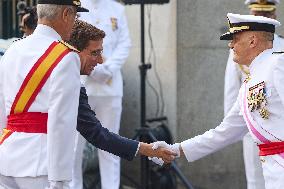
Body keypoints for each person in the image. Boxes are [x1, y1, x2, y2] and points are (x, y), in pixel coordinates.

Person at [152, 13, 284, 189]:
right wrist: (175, 149)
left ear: (252, 41)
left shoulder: (278, 64)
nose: (231, 45)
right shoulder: (248, 84)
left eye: (235, 39)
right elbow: (225, 132)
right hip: (274, 174)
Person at [67, 20, 176, 189]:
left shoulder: (71, 80)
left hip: (26, 161)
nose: (100, 60)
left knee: (107, 154)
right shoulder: (68, 81)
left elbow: (98, 134)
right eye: (95, 53)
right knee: (73, 150)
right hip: (37, 167)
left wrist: (106, 71)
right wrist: (148, 150)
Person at [0, 0, 89, 189]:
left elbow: (1, 109)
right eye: (75, 16)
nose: (75, 23)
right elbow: (62, 121)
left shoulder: (12, 50)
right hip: (40, 165)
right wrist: (59, 178)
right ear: (66, 14)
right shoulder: (66, 56)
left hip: (6, 159)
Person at [224, 1, 284, 188]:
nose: (261, 18)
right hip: (252, 125)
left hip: (279, 127)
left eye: (265, 15)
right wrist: (231, 126)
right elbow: (232, 87)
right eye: (257, 14)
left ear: (274, 17)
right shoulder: (239, 47)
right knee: (255, 180)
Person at [75, 0, 131, 188]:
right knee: (75, 148)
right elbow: (71, 41)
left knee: (111, 147)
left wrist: (106, 69)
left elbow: (125, 44)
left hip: (110, 85)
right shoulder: (77, 7)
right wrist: (94, 70)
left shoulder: (118, 9)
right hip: (82, 84)